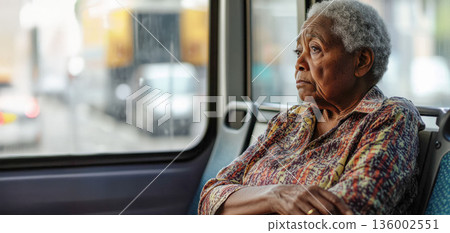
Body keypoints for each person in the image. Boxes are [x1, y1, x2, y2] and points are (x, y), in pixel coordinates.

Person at [198, 0, 424, 215]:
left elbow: (345, 212)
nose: (299, 63)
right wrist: (275, 196)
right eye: (299, 52)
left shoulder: (390, 117)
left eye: (315, 49)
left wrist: (245, 204)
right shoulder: (288, 121)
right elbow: (211, 197)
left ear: (361, 61)